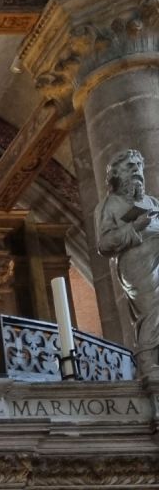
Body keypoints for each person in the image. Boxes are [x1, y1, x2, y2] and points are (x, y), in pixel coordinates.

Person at [96, 148, 159, 377]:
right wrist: (135, 227)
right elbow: (104, 244)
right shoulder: (109, 204)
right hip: (136, 263)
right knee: (152, 308)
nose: (136, 171)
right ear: (116, 175)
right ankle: (148, 360)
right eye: (129, 167)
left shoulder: (152, 201)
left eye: (138, 166)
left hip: (157, 257)